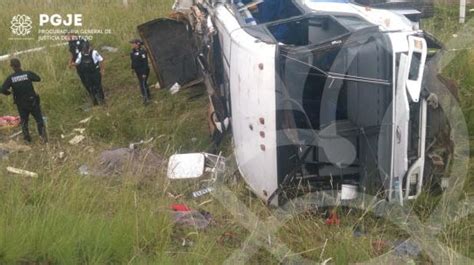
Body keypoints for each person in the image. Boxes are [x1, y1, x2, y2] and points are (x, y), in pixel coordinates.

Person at [1, 58, 47, 143]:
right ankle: (43, 137)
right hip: (32, 101)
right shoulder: (27, 74)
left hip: (21, 103)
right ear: (20, 65)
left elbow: (2, 89)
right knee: (39, 119)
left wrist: (9, 93)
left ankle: (27, 139)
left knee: (24, 121)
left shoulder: (11, 78)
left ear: (12, 67)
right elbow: (38, 78)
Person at [130, 39, 151, 104]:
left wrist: (144, 73)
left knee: (143, 84)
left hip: (143, 70)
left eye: (133, 43)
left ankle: (146, 99)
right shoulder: (132, 52)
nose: (132, 45)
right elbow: (133, 61)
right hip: (137, 71)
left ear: (137, 44)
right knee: (142, 83)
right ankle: (147, 96)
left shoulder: (143, 52)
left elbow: (145, 63)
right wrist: (133, 68)